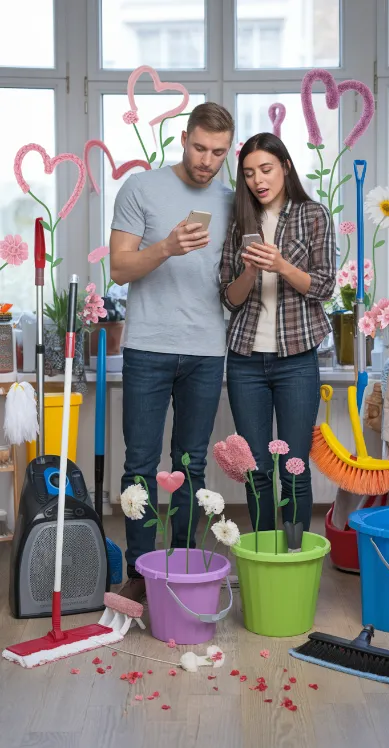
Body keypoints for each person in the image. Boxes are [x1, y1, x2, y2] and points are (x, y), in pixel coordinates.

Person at [110, 102, 234, 602]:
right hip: (147, 347)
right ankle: (140, 576)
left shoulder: (232, 199)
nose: (207, 160)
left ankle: (182, 568)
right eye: (200, 148)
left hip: (206, 350)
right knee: (139, 463)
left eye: (219, 152)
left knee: (191, 463)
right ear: (184, 139)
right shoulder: (141, 188)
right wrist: (165, 247)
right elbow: (119, 269)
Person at [220, 132, 336, 534]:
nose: (258, 180)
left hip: (297, 361)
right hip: (245, 363)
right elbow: (229, 299)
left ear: (285, 166)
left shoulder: (314, 215)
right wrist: (250, 271)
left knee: (294, 469)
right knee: (255, 471)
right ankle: (264, 557)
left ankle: (294, 557)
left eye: (266, 169)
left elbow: (323, 287)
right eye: (249, 173)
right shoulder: (239, 223)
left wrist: (282, 265)